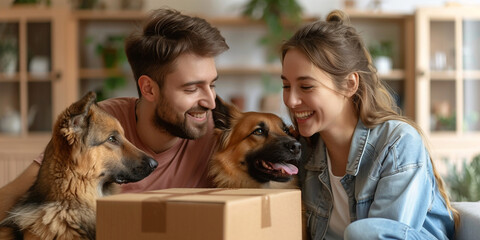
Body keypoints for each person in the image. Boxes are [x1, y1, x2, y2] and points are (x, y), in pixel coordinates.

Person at [0, 8, 229, 221]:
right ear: (149, 89)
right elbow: (16, 194)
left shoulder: (223, 133)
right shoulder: (99, 123)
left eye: (212, 85)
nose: (210, 101)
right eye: (191, 88)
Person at [280, 10, 457, 240]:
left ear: (349, 84)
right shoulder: (306, 151)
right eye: (286, 86)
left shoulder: (398, 144)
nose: (291, 101)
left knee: (362, 233)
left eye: (306, 87)